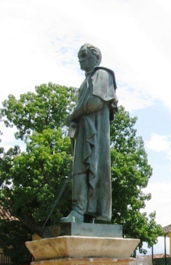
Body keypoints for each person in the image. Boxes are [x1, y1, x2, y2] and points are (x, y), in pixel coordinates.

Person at [61, 43, 117, 223]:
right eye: (79, 57)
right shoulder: (85, 81)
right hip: (84, 132)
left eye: (84, 56)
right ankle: (79, 210)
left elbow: (96, 102)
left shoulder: (103, 74)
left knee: (92, 170)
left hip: (95, 134)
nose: (80, 60)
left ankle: (86, 212)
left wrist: (74, 114)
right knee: (79, 171)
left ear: (97, 57)